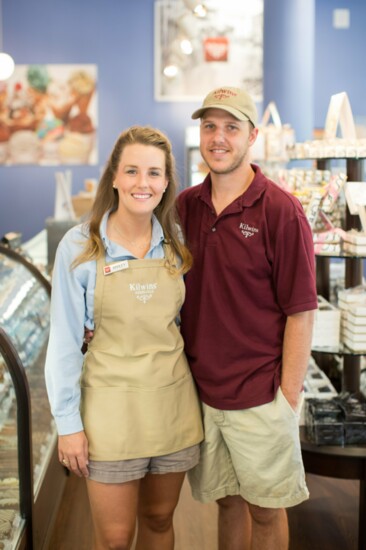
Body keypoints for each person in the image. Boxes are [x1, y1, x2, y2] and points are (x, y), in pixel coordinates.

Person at [45, 125, 204, 550]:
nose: (142, 183)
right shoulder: (79, 247)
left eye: (154, 173)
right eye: (132, 171)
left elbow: (188, 322)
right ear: (114, 176)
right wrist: (68, 425)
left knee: (158, 520)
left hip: (171, 403)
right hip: (109, 410)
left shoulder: (177, 243)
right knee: (114, 540)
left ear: (166, 182)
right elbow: (62, 343)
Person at [176, 87, 318, 550]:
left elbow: (301, 311)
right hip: (202, 392)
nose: (219, 138)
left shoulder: (280, 210)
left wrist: (288, 397)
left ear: (252, 136)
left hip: (260, 393)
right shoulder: (184, 207)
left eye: (231, 127)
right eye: (209, 126)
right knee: (227, 502)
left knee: (265, 508)